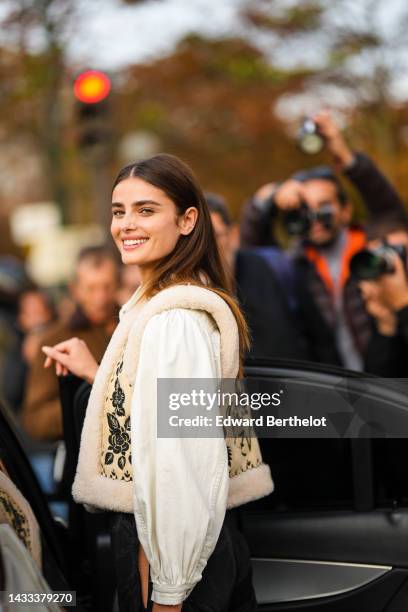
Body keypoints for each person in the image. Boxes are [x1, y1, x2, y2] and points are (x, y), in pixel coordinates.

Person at [41, 154, 273, 611]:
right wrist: (99, 374)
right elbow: (162, 413)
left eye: (146, 210)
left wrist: (169, 590)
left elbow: (178, 469)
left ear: (188, 220)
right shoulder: (174, 302)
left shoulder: (175, 321)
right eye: (118, 211)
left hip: (170, 554)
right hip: (191, 548)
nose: (126, 224)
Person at [240, 111, 407, 369]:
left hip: (389, 377)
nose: (315, 218)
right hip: (331, 391)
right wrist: (271, 198)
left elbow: (387, 209)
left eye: (324, 206)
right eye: (303, 209)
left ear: (346, 210)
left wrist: (345, 156)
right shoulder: (293, 266)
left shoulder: (374, 252)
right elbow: (252, 251)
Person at [21, 246, 120, 441]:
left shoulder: (134, 327)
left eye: (106, 286)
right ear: (75, 289)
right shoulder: (54, 340)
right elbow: (34, 421)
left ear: (117, 285)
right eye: (91, 288)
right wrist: (86, 402)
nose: (100, 298)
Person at [207, 192, 310, 361]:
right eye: (200, 239)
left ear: (234, 235)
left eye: (215, 236)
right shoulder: (189, 294)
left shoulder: (269, 267)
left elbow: (316, 337)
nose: (208, 247)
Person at [359, 216, 408, 377]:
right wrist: (386, 325)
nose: (394, 268)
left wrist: (403, 304)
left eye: (399, 254)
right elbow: (374, 393)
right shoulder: (385, 310)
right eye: (381, 261)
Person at [2, 287, 56, 414]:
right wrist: (27, 362)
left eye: (40, 312)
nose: (38, 320)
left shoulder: (61, 340)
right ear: (21, 319)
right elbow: (11, 394)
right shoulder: (16, 351)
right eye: (32, 314)